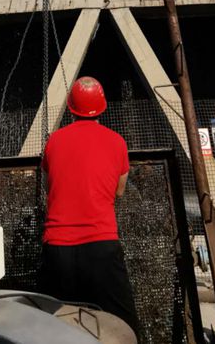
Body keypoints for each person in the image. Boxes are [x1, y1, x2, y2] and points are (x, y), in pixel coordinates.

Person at [39, 76, 139, 338]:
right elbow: (119, 191)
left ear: (71, 108)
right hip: (101, 247)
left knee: (57, 330)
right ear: (103, 107)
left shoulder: (53, 141)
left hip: (57, 248)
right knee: (123, 327)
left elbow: (49, 188)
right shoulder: (117, 143)